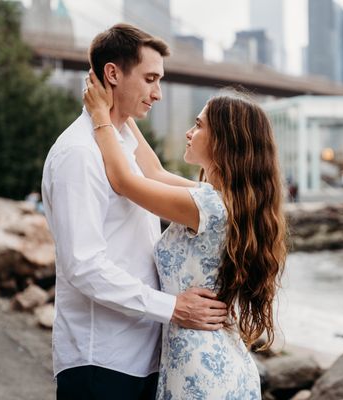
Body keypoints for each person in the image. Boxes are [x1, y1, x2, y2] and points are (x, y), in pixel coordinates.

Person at [41, 24, 228, 400]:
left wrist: (111, 116)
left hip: (147, 356)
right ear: (112, 74)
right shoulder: (79, 154)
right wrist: (172, 307)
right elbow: (84, 266)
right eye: (149, 79)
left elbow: (149, 173)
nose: (157, 93)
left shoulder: (122, 144)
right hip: (101, 359)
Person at [83, 68, 287, 397]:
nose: (189, 132)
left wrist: (100, 117)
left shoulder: (204, 206)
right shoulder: (222, 203)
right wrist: (119, 107)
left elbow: (125, 181)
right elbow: (153, 170)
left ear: (223, 141)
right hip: (219, 361)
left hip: (199, 368)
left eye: (199, 125)